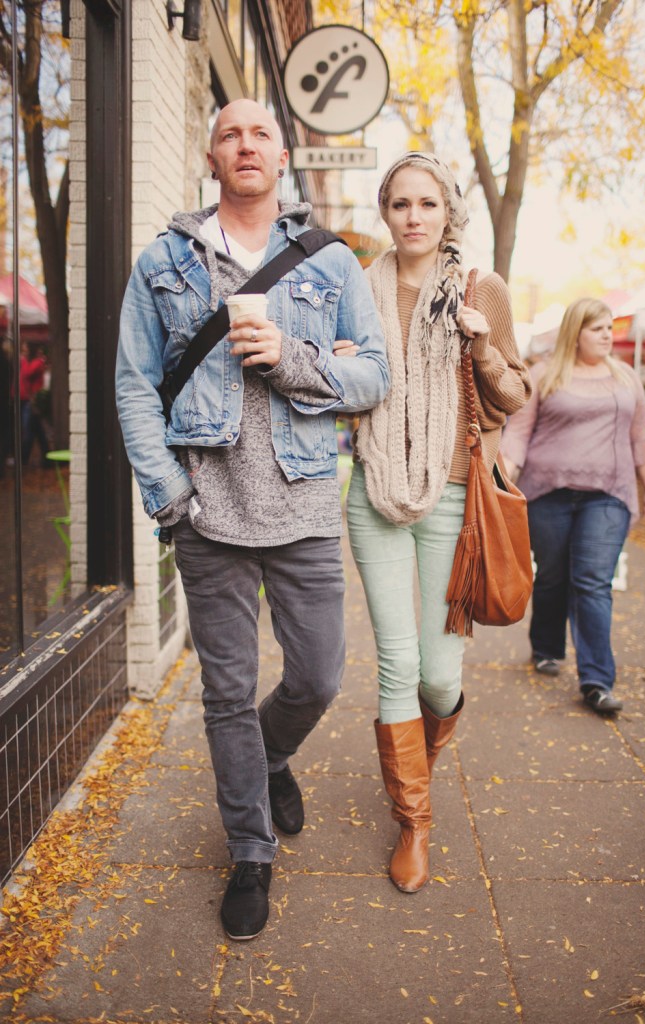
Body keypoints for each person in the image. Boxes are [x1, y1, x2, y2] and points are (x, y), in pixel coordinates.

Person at [115, 99, 389, 941]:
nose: (245, 145)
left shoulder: (330, 261)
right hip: (206, 511)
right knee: (226, 692)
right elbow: (132, 382)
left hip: (303, 501)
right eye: (230, 133)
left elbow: (374, 376)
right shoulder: (163, 259)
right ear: (210, 154)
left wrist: (296, 360)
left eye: (259, 134)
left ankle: (272, 759)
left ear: (281, 156)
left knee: (319, 677)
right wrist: (168, 498)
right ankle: (249, 848)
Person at [343, 152, 531, 893]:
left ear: (448, 211)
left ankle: (415, 754)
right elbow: (346, 382)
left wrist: (480, 340)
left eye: (426, 204)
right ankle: (413, 822)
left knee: (438, 673)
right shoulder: (358, 290)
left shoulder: (481, 286)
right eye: (399, 205)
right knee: (395, 664)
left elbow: (514, 392)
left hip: (454, 499)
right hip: (376, 490)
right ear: (384, 213)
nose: (413, 217)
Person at [500, 298, 645, 715]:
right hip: (547, 492)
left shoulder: (624, 377)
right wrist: (504, 479)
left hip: (608, 493)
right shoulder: (544, 374)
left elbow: (639, 435)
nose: (608, 335)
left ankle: (596, 680)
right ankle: (548, 647)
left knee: (591, 581)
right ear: (576, 331)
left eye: (609, 327)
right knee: (553, 576)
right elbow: (519, 433)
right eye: (598, 328)